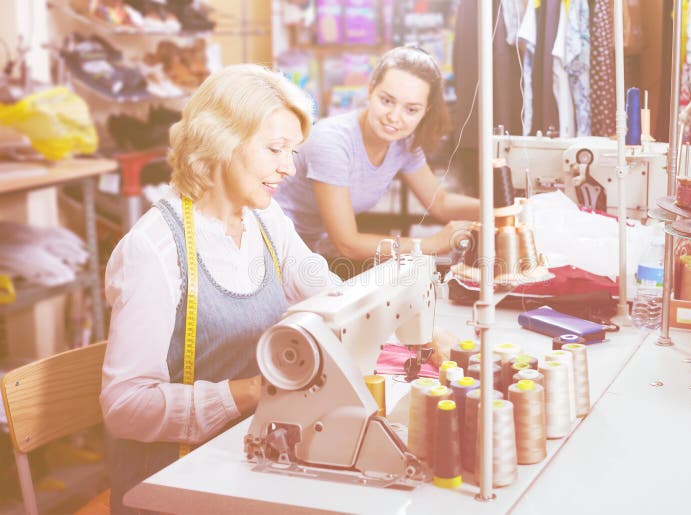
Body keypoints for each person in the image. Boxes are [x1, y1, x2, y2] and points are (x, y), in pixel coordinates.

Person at [100, 64, 339, 513]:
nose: (289, 167)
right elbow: (124, 407)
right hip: (170, 484)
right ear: (221, 141)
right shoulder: (154, 248)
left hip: (242, 461)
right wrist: (252, 390)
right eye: (276, 149)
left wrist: (406, 325)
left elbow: (331, 296)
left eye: (292, 152)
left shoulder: (266, 220)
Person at [274, 45, 480, 267]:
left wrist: (494, 209)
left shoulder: (404, 142)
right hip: (274, 245)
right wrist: (433, 243)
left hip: (308, 248)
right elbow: (347, 244)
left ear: (425, 111)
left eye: (411, 110)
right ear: (371, 91)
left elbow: (440, 202)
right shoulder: (332, 142)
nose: (394, 117)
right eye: (387, 101)